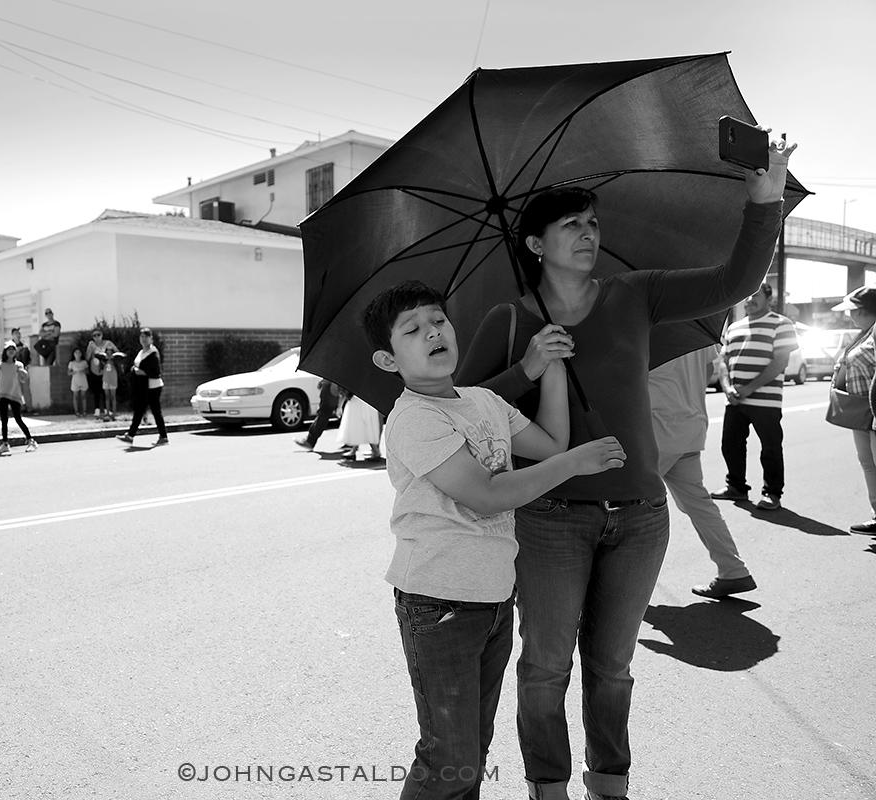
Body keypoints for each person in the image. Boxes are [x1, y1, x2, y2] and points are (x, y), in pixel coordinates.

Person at [455, 136, 793, 800]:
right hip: (550, 521)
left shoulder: (634, 295)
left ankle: (610, 783)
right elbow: (460, 415)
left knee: (612, 668)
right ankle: (548, 786)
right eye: (571, 226)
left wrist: (765, 201)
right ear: (535, 245)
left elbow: (734, 282)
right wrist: (525, 367)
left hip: (640, 517)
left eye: (593, 224)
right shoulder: (510, 318)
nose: (588, 234)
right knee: (547, 668)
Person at [365, 281, 624, 800]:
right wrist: (573, 464)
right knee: (448, 756)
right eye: (412, 329)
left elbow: (550, 441)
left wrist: (551, 364)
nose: (433, 332)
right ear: (389, 360)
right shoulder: (414, 418)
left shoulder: (483, 401)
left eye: (438, 319)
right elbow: (485, 495)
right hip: (438, 603)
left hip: (492, 599)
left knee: (471, 751)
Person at [650, 347, 756, 598]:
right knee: (698, 504)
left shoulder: (651, 326)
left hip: (657, 429)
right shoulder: (693, 325)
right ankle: (733, 569)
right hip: (690, 424)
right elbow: (712, 367)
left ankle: (620, 588)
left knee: (629, 507)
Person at [709, 282, 798, 511]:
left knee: (770, 447)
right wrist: (727, 387)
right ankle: (736, 487)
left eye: (755, 295)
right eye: (746, 296)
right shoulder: (734, 328)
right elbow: (724, 362)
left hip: (765, 400)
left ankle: (772, 493)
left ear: (769, 298)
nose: (749, 300)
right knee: (730, 445)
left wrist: (749, 388)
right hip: (735, 399)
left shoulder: (782, 324)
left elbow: (780, 362)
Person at [828, 286, 876, 533]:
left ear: (866, 310)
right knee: (867, 463)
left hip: (872, 411)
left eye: (853, 311)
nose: (850, 316)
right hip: (861, 411)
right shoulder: (862, 334)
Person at [117, 328, 168, 446]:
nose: (144, 339)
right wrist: (134, 370)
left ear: (151, 338)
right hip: (143, 386)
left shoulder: (153, 353)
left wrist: (141, 372)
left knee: (155, 411)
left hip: (153, 387)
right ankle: (130, 435)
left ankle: (163, 437)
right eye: (142, 337)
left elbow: (156, 372)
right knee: (140, 410)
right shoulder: (141, 352)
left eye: (146, 337)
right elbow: (137, 366)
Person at [0, 343, 38, 455]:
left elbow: (24, 379)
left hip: (14, 394)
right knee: (4, 420)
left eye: (13, 349)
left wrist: (23, 373)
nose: (11, 351)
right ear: (5, 351)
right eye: (9, 349)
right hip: (2, 394)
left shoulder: (18, 365)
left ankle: (31, 440)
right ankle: (5, 443)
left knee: (18, 418)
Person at [335, 389, 383, 461]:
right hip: (366, 401)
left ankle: (375, 451)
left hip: (358, 402)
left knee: (359, 426)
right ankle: (356, 451)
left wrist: (339, 406)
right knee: (361, 426)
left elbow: (346, 390)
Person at [296, 379, 339, 450]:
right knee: (324, 414)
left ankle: (310, 441)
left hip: (332, 386)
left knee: (323, 415)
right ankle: (350, 442)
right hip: (331, 385)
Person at [86, 330, 115, 416]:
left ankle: (107, 409)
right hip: (94, 370)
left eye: (98, 335)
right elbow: (87, 358)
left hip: (106, 371)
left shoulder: (108, 343)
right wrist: (89, 349)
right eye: (94, 335)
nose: (96, 337)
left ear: (102, 335)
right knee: (96, 390)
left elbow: (117, 353)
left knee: (106, 391)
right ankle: (97, 409)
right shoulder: (91, 344)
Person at [102, 345, 121, 421]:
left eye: (110, 352)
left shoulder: (115, 361)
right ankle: (107, 413)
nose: (109, 354)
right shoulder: (103, 361)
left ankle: (114, 412)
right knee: (107, 397)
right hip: (106, 380)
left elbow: (119, 369)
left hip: (113, 380)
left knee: (113, 396)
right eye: (107, 352)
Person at [68, 348, 89, 415]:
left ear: (81, 354)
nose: (77, 354)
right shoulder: (71, 363)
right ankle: (76, 411)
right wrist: (73, 372)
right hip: (75, 380)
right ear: (73, 354)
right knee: (75, 396)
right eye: (76, 353)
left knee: (83, 396)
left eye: (79, 352)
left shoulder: (84, 362)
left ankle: (84, 411)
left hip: (83, 379)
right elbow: (68, 373)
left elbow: (88, 371)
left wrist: (83, 371)